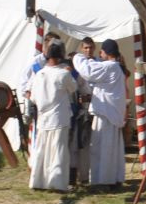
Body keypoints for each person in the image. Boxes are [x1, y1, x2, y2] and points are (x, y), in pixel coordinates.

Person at [73, 38, 128, 187]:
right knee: (110, 150)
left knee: (102, 150)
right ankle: (113, 178)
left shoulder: (110, 67)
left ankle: (103, 180)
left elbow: (88, 71)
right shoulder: (116, 68)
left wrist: (77, 57)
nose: (100, 54)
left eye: (102, 51)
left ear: (107, 52)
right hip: (110, 113)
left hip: (106, 115)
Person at [26, 42, 77, 192]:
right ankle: (58, 183)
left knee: (42, 150)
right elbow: (73, 88)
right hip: (59, 117)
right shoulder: (64, 74)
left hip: (44, 117)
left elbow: (33, 97)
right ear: (60, 56)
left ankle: (38, 181)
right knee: (59, 151)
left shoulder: (40, 74)